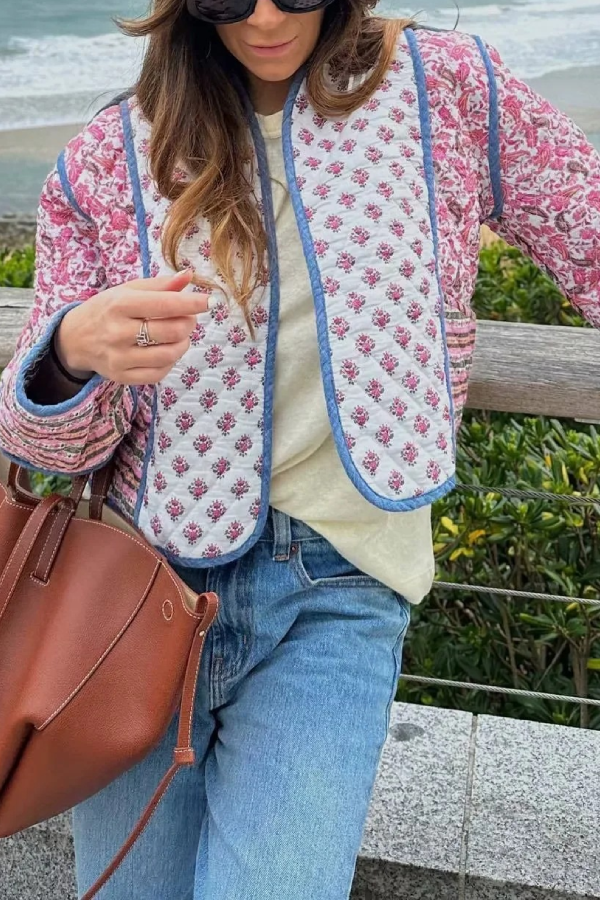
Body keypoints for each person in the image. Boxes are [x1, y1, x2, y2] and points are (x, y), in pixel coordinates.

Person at [1, 0, 599, 896]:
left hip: (340, 586)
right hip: (137, 592)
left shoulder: (446, 89)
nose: (266, 16)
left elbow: (588, 229)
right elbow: (47, 442)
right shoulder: (110, 155)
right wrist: (72, 354)